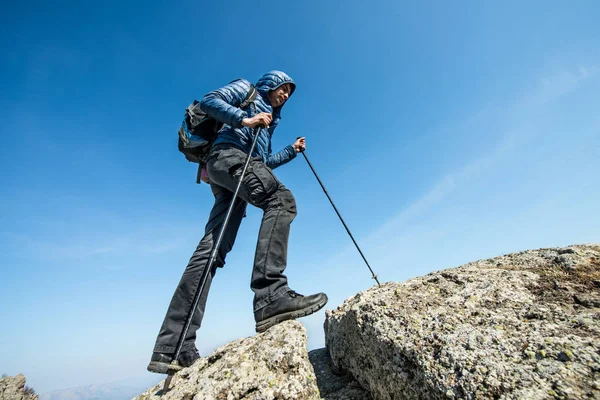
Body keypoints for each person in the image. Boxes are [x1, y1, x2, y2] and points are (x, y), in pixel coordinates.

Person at [148, 70, 328, 374]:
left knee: (213, 249)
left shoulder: (270, 121)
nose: (285, 94)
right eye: (282, 88)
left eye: (289, 92)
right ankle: (271, 295)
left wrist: (292, 152)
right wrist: (244, 119)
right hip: (227, 158)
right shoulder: (247, 90)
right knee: (281, 200)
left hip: (232, 170)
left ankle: (173, 346)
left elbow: (264, 162)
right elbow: (209, 101)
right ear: (269, 83)